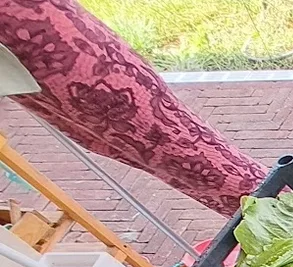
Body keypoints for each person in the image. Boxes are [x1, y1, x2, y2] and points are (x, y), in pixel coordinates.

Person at [0, 0, 264, 215]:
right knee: (144, 154)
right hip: (20, 74)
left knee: (183, 146)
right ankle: (259, 218)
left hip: (46, 41)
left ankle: (279, 209)